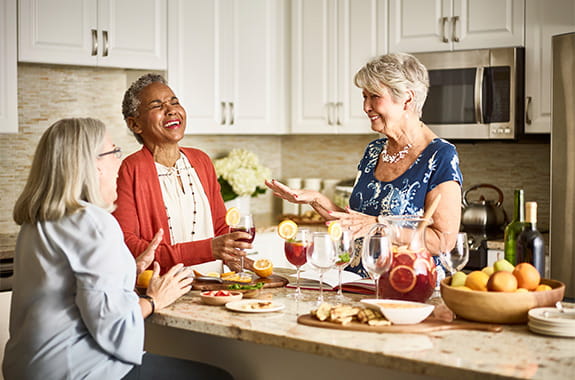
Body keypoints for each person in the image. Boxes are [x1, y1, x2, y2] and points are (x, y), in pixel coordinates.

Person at [2, 118, 233, 379]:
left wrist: (127, 269)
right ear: (94, 165)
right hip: (78, 370)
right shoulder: (95, 222)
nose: (119, 162)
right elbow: (111, 325)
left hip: (27, 368)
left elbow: (71, 288)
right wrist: (155, 300)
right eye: (114, 151)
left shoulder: (38, 221)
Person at [266, 53, 463, 276]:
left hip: (408, 287)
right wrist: (317, 200)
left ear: (407, 99)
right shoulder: (374, 151)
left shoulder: (440, 155)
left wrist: (380, 226)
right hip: (357, 284)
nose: (366, 106)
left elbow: (443, 242)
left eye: (374, 96)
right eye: (364, 96)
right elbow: (357, 224)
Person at [113, 73, 252, 274]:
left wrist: (234, 256)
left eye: (174, 102)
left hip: (214, 286)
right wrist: (207, 249)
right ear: (135, 124)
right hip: (166, 290)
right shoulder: (130, 169)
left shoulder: (201, 161)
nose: (171, 110)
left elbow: (221, 226)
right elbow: (127, 245)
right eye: (157, 106)